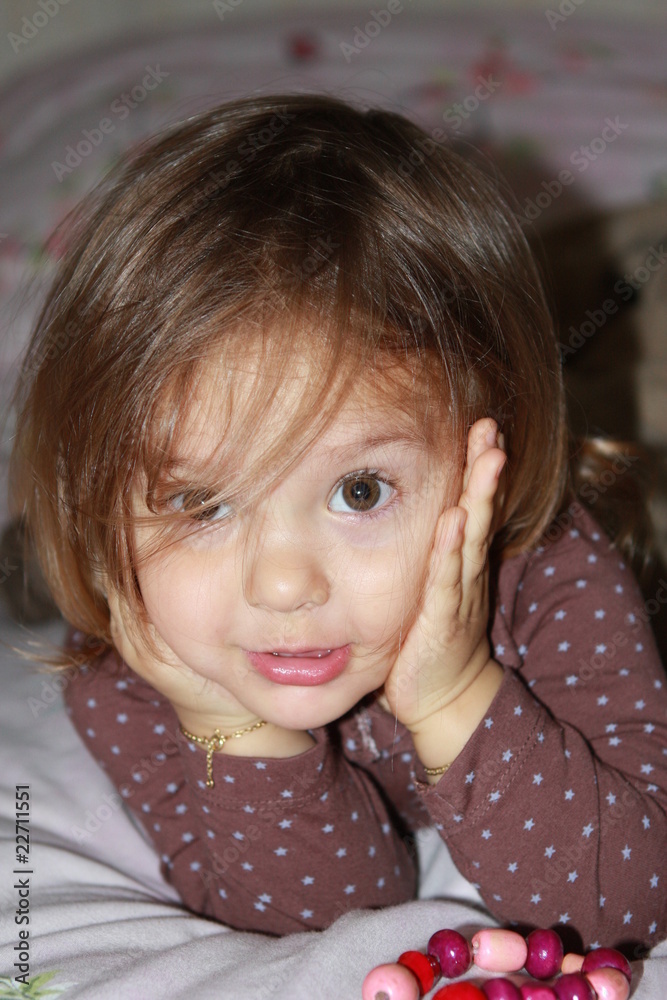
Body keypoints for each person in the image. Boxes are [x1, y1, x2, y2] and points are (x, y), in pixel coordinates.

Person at [10, 94, 666, 950]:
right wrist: (232, 727)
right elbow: (330, 920)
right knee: (33, 578)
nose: (283, 585)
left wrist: (456, 696)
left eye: (359, 492)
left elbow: (628, 907)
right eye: (201, 503)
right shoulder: (135, 669)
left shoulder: (544, 571)